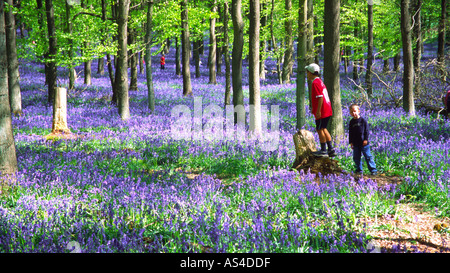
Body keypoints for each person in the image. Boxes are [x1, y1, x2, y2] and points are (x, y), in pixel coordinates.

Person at [305, 63, 336, 157]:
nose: (307, 75)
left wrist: (318, 111)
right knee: (323, 128)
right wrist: (314, 109)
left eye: (307, 72)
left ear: (310, 73)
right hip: (327, 110)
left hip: (322, 111)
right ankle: (330, 149)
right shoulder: (320, 81)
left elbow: (320, 97)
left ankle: (323, 150)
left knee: (319, 129)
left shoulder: (315, 83)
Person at [348, 104, 377, 175]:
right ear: (350, 113)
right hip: (355, 143)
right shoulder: (351, 122)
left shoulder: (363, 121)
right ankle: (359, 170)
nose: (353, 113)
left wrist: (366, 140)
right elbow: (350, 132)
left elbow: (366, 131)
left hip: (364, 143)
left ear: (359, 111)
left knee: (368, 156)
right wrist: (351, 142)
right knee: (356, 157)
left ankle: (373, 170)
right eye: (351, 112)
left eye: (355, 111)